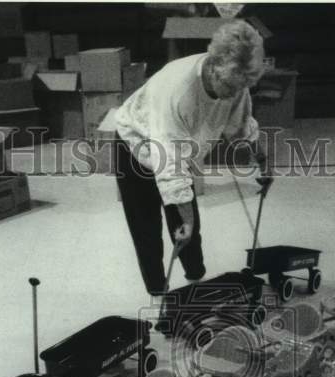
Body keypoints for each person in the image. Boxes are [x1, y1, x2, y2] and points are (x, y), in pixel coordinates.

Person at [114, 19, 273, 297]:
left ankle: (196, 280)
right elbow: (170, 166)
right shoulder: (179, 90)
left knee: (189, 228)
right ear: (212, 64)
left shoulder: (234, 80)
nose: (231, 94)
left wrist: (263, 162)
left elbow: (241, 126)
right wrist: (183, 218)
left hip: (176, 149)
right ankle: (158, 294)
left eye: (239, 87)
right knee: (148, 230)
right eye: (228, 85)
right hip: (136, 146)